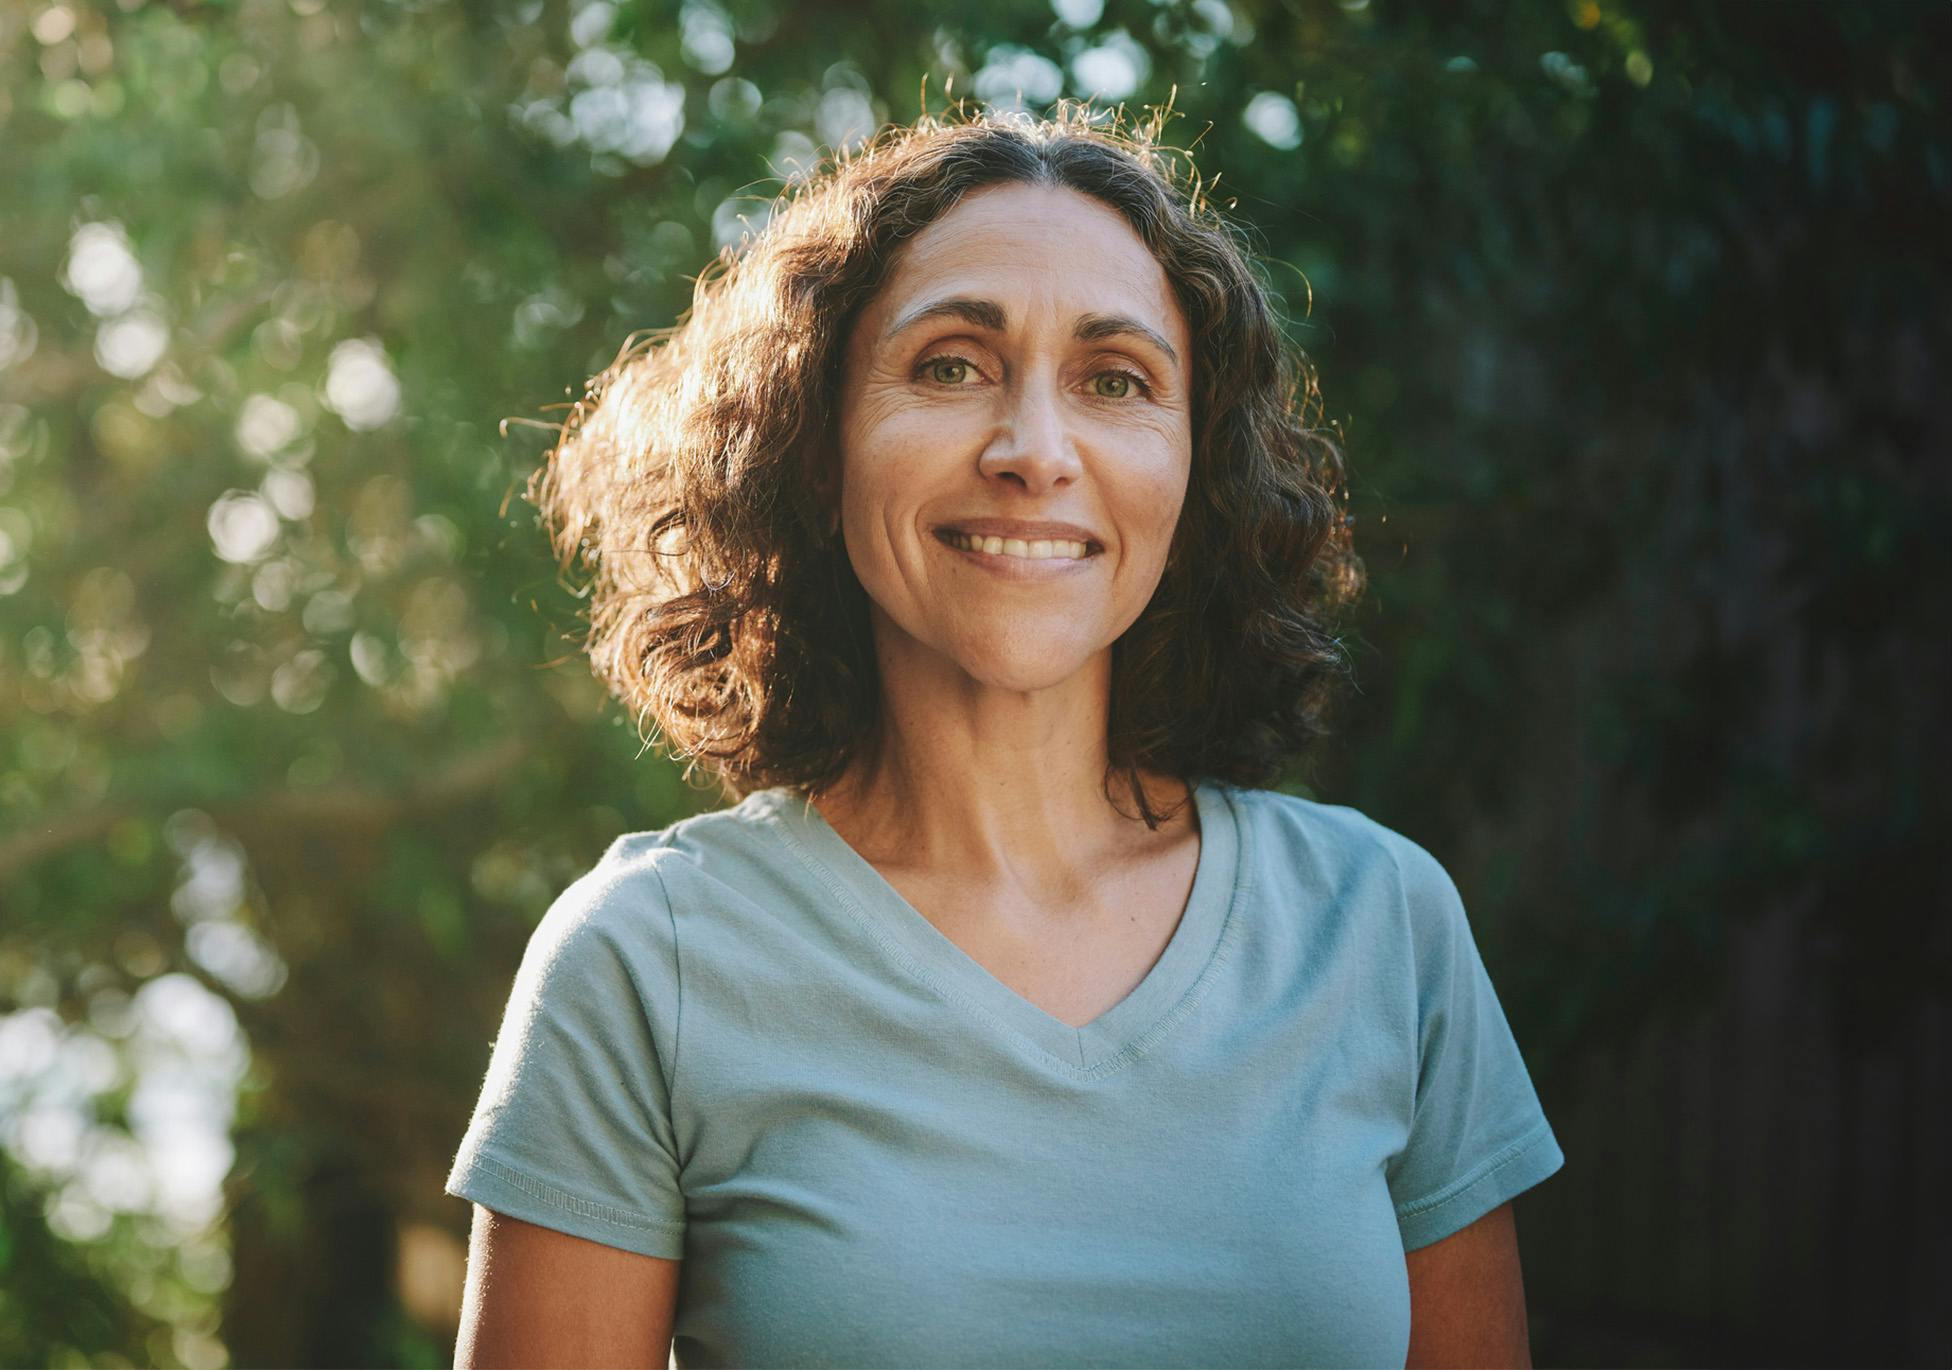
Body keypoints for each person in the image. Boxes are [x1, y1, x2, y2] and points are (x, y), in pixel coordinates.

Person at [444, 105, 1563, 1369]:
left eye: (1114, 381)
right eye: (949, 365)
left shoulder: (1380, 927)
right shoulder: (649, 962)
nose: (1035, 451)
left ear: (1193, 470)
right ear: (816, 449)